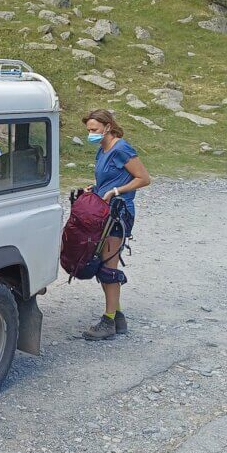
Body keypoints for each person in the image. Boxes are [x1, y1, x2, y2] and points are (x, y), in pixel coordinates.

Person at [81, 109, 151, 340]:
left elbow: (143, 178)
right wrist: (95, 188)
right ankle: (117, 316)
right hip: (104, 211)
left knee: (108, 266)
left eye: (94, 130)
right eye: (88, 130)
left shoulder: (122, 149)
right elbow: (109, 178)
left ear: (108, 127)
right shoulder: (102, 149)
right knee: (103, 262)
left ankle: (109, 320)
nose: (90, 134)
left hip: (119, 213)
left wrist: (116, 191)